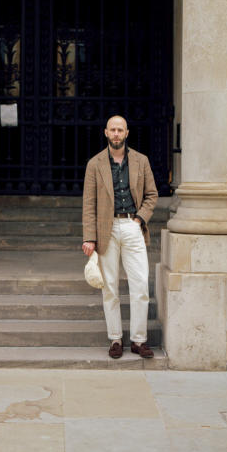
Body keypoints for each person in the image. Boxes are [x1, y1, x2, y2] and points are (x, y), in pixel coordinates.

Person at [82, 115, 158, 359]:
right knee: (110, 288)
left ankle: (138, 340)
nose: (116, 134)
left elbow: (152, 195)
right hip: (107, 229)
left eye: (120, 130)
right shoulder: (94, 164)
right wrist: (89, 237)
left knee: (140, 286)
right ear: (106, 132)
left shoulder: (141, 161)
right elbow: (89, 204)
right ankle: (115, 339)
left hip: (132, 226)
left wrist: (139, 220)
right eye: (112, 130)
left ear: (127, 133)